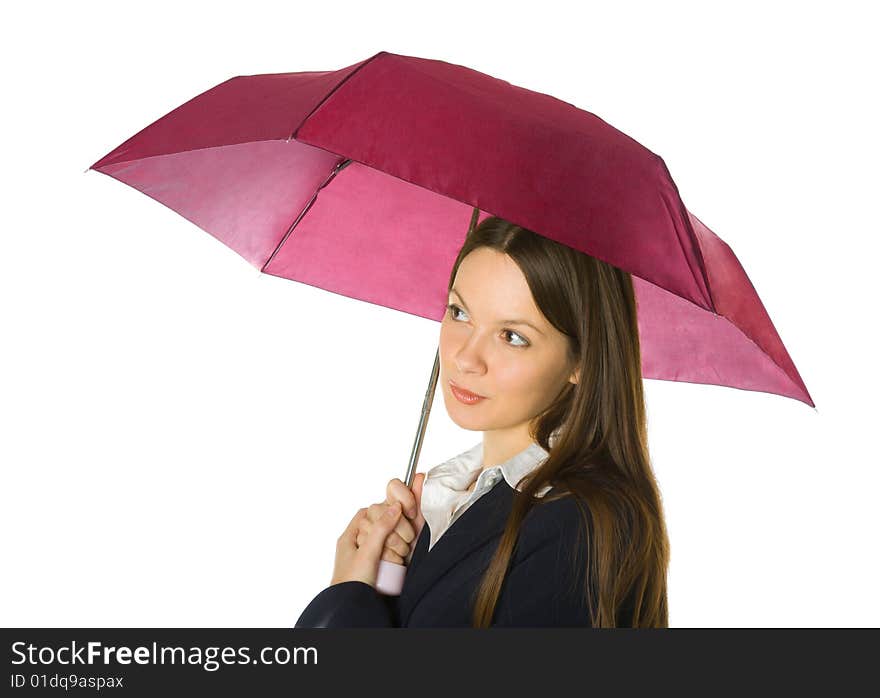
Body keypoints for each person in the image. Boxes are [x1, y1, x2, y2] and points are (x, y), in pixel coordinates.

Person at [295, 215, 670, 627]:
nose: (465, 358)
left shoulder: (576, 531)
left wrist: (345, 598)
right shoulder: (456, 502)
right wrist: (382, 583)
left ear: (581, 361)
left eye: (512, 336)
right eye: (459, 313)